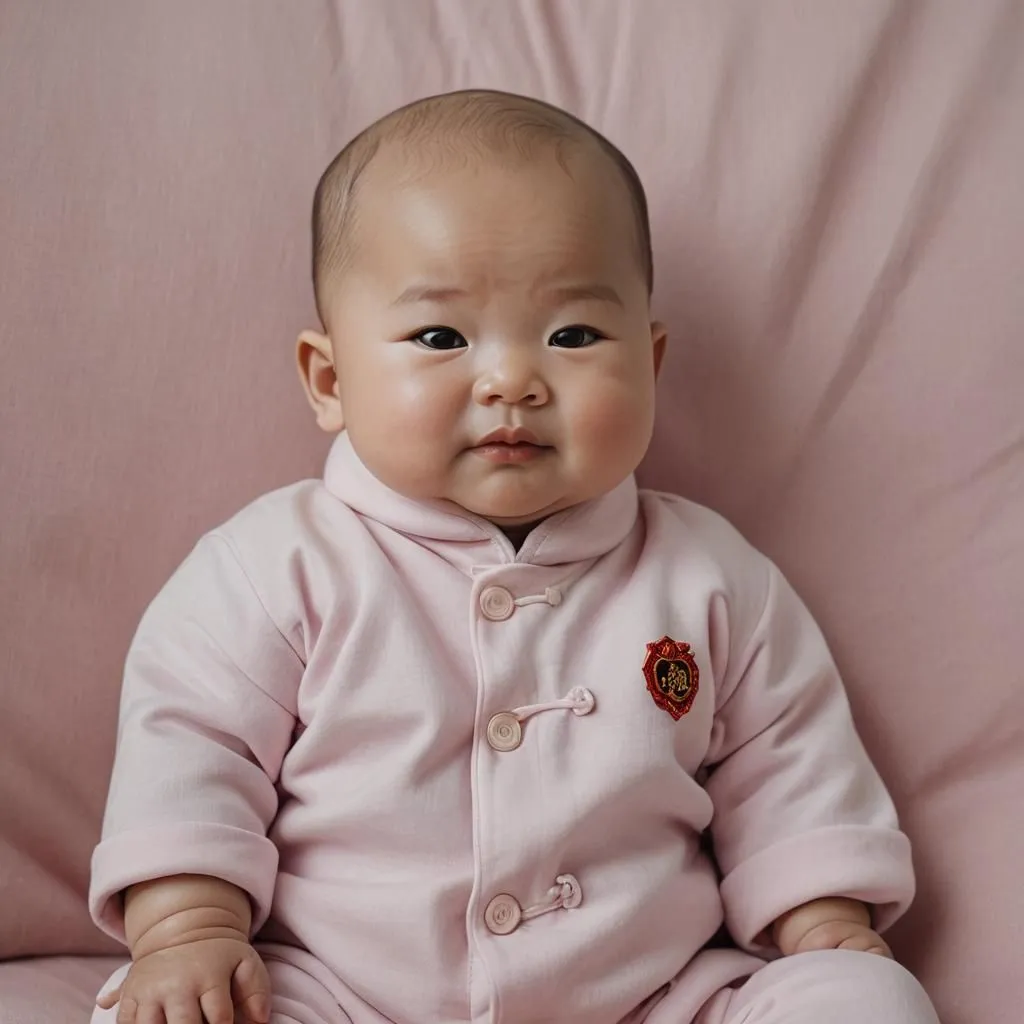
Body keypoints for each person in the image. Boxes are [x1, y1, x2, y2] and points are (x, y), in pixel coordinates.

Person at [89, 90, 940, 1024]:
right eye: (441, 338)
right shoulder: (273, 566)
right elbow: (190, 745)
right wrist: (185, 928)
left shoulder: (710, 576)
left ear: (649, 367)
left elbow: (789, 763)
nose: (511, 382)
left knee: (863, 1000)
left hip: (653, 993)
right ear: (330, 381)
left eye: (573, 335)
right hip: (344, 994)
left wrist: (824, 920)